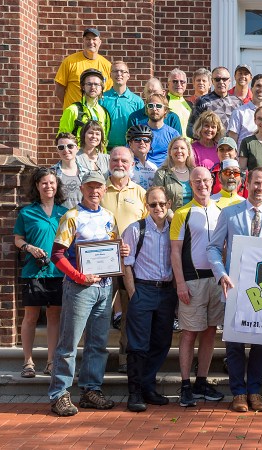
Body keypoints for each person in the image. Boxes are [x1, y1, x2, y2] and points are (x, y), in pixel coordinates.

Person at [48, 171, 128, 417]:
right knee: (69, 342)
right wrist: (78, 276)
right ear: (82, 188)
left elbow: (112, 248)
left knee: (98, 343)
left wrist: (121, 250)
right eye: (90, 187)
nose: (95, 191)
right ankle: (59, 393)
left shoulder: (109, 216)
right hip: (79, 287)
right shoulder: (72, 217)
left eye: (99, 187)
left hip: (104, 287)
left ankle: (91, 390)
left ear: (104, 190)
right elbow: (57, 255)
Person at [208, 167, 262, 413]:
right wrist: (221, 273)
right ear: (247, 183)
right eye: (256, 183)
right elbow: (213, 248)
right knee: (234, 343)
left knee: (261, 343)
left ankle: (254, 391)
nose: (260, 188)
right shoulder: (230, 214)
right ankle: (238, 393)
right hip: (234, 288)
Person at [171, 167, 227, 408]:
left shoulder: (222, 211)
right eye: (197, 181)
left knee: (210, 331)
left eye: (205, 180)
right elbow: (174, 252)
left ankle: (201, 381)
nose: (202, 184)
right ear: (190, 184)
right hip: (192, 281)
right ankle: (185, 385)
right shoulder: (182, 213)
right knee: (189, 333)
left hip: (216, 281)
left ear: (212, 180)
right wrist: (180, 283)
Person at [122, 186, 177, 412]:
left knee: (162, 342)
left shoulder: (174, 230)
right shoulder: (136, 230)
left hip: (166, 292)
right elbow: (126, 265)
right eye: (153, 204)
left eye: (162, 204)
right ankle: (134, 392)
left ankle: (148, 386)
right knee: (138, 345)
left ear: (169, 205)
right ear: (146, 205)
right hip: (142, 290)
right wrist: (133, 294)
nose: (158, 208)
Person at [14, 168, 68, 379]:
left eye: (52, 183)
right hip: (33, 272)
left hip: (58, 272)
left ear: (57, 186)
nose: (48, 186)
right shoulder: (27, 212)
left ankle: (51, 361)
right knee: (31, 316)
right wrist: (29, 248)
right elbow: (18, 239)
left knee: (55, 316)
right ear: (37, 186)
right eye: (44, 183)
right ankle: (28, 361)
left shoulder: (65, 213)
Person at [101, 147, 148, 374]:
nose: (119, 163)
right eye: (115, 159)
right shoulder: (98, 190)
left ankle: (124, 358)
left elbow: (149, 230)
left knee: (130, 313)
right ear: (109, 162)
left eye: (124, 160)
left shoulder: (140, 193)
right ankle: (95, 358)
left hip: (131, 263)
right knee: (98, 310)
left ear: (132, 164)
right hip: (100, 261)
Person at [54, 28, 113, 110]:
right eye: (88, 39)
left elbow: (108, 92)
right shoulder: (70, 62)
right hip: (74, 117)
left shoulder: (107, 65)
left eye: (94, 39)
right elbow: (59, 90)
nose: (91, 42)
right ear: (83, 41)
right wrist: (70, 107)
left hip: (97, 116)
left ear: (100, 42)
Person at [187, 66, 243, 139]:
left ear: (230, 81)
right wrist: (206, 141)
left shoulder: (238, 102)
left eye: (224, 79)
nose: (221, 82)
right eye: (217, 79)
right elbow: (190, 130)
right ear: (212, 81)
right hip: (210, 148)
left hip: (231, 147)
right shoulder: (202, 101)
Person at [59, 68, 110, 145]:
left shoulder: (104, 113)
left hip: (98, 156)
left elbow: (104, 140)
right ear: (83, 87)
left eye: (96, 84)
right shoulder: (72, 110)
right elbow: (62, 139)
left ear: (101, 88)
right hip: (77, 155)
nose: (93, 87)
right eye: (89, 84)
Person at [101, 62, 144, 149]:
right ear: (110, 75)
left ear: (128, 75)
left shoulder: (137, 101)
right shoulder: (101, 99)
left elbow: (142, 127)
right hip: (105, 149)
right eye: (115, 71)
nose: (119, 74)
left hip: (129, 149)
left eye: (122, 71)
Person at [152, 136, 196, 211]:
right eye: (175, 148)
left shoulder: (195, 172)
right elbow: (157, 199)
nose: (179, 151)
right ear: (170, 152)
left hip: (193, 217)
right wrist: (170, 215)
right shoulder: (162, 174)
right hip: (170, 219)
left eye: (182, 148)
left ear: (188, 152)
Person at [226, 73, 262, 144]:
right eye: (258, 86)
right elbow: (232, 143)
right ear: (251, 88)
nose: (261, 89)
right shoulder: (239, 112)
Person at [51, 132, 89, 209]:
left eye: (70, 146)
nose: (66, 150)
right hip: (58, 218)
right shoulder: (51, 173)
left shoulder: (87, 173)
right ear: (57, 150)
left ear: (77, 148)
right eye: (61, 147)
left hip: (81, 217)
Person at [142, 93, 181, 167]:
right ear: (147, 109)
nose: (154, 109)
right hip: (142, 171)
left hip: (165, 171)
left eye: (158, 106)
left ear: (165, 110)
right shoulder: (138, 131)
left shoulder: (173, 134)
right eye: (150, 106)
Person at [126, 125, 157, 190]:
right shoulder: (125, 165)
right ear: (130, 144)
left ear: (150, 144)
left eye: (146, 140)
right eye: (137, 140)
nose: (142, 142)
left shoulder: (153, 167)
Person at [167, 68, 193, 137]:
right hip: (172, 145)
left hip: (189, 146)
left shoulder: (190, 104)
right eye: (175, 81)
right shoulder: (164, 103)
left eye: (182, 82)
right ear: (168, 84)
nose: (179, 84)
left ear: (186, 84)